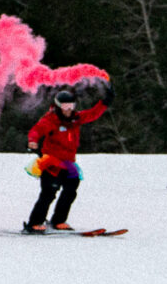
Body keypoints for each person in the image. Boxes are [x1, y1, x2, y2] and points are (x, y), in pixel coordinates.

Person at [25, 82, 112, 233]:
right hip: (51, 162)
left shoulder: (75, 118)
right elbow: (37, 130)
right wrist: (32, 141)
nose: (69, 110)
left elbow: (92, 114)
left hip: (68, 163)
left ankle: (58, 220)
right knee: (49, 193)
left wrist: (105, 102)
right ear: (58, 106)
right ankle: (34, 223)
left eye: (71, 105)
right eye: (65, 107)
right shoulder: (52, 119)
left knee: (71, 190)